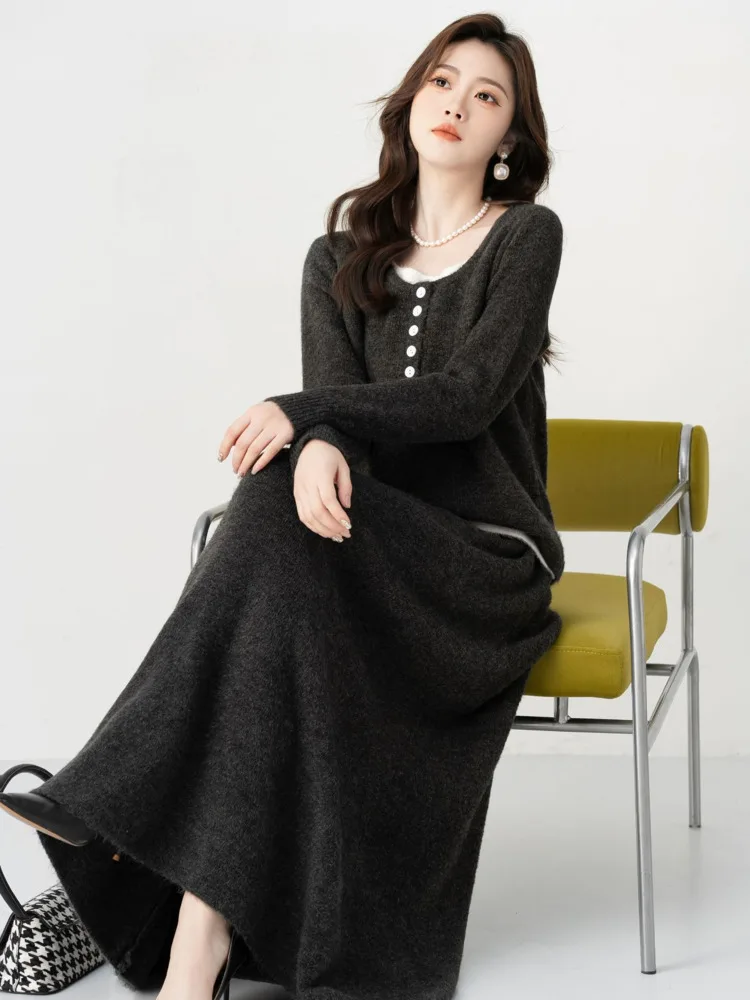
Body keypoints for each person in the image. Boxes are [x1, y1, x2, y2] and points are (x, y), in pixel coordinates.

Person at [0, 13, 567, 1000]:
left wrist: (302, 419)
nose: (457, 105)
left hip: (480, 561)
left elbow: (469, 395)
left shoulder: (526, 236)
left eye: (487, 97)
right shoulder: (336, 256)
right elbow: (339, 412)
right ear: (411, 100)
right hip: (361, 548)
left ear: (509, 136)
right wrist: (320, 443)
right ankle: (200, 939)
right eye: (442, 82)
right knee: (277, 528)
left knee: (266, 509)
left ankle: (112, 800)